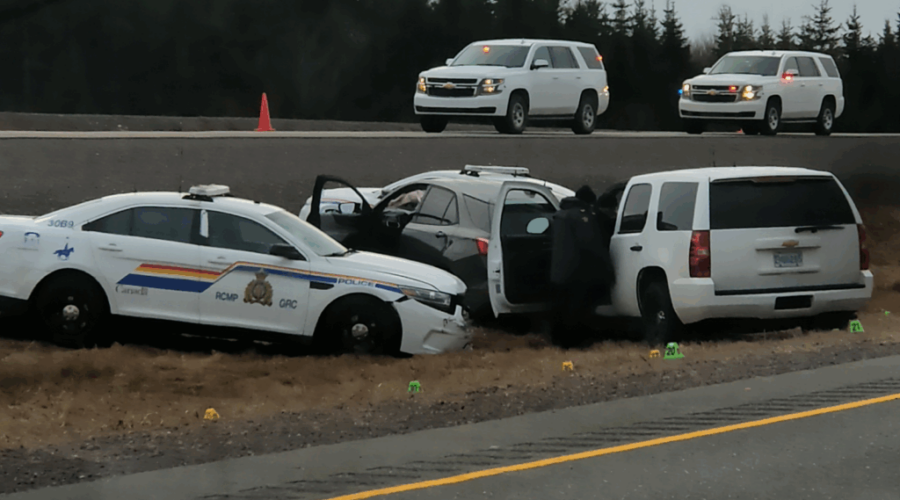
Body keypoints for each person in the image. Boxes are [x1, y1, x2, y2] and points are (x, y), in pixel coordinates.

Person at [548, 185, 616, 348]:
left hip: (560, 272)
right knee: (579, 311)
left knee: (563, 309)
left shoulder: (560, 215)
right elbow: (590, 244)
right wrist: (607, 269)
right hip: (579, 271)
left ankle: (560, 342)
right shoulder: (581, 217)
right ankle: (576, 343)